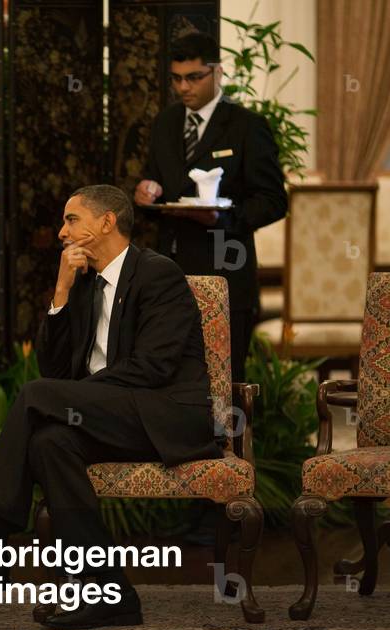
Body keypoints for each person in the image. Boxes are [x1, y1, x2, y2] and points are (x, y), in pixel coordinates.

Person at [0, 185, 223, 629]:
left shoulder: (158, 274)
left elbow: (153, 367)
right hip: (109, 416)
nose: (62, 231)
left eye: (72, 219)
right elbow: (56, 369)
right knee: (50, 443)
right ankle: (110, 594)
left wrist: (80, 395)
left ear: (106, 222)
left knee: (35, 395)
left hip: (165, 416)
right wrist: (62, 289)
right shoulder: (85, 283)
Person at [133, 31, 287, 382]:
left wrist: (222, 217)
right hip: (169, 273)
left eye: (193, 78)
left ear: (217, 73)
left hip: (226, 268)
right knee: (171, 383)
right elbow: (155, 180)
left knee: (222, 384)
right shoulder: (166, 123)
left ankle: (230, 440)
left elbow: (274, 201)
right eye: (176, 79)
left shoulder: (247, 126)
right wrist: (145, 192)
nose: (183, 87)